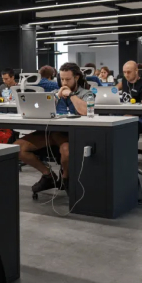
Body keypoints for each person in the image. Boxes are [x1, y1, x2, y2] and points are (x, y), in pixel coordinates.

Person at [16, 63, 91, 195]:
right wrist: (57, 96)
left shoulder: (86, 93)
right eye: (62, 79)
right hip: (50, 133)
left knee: (66, 151)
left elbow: (85, 111)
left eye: (68, 79)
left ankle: (66, 178)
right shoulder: (53, 94)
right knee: (18, 147)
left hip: (71, 134)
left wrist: (71, 94)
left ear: (77, 77)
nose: (64, 82)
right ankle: (48, 175)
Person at [116, 61, 142, 133]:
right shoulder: (124, 80)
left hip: (138, 116)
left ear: (136, 71)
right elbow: (114, 90)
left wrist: (131, 115)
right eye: (124, 72)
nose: (126, 75)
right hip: (124, 112)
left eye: (129, 72)